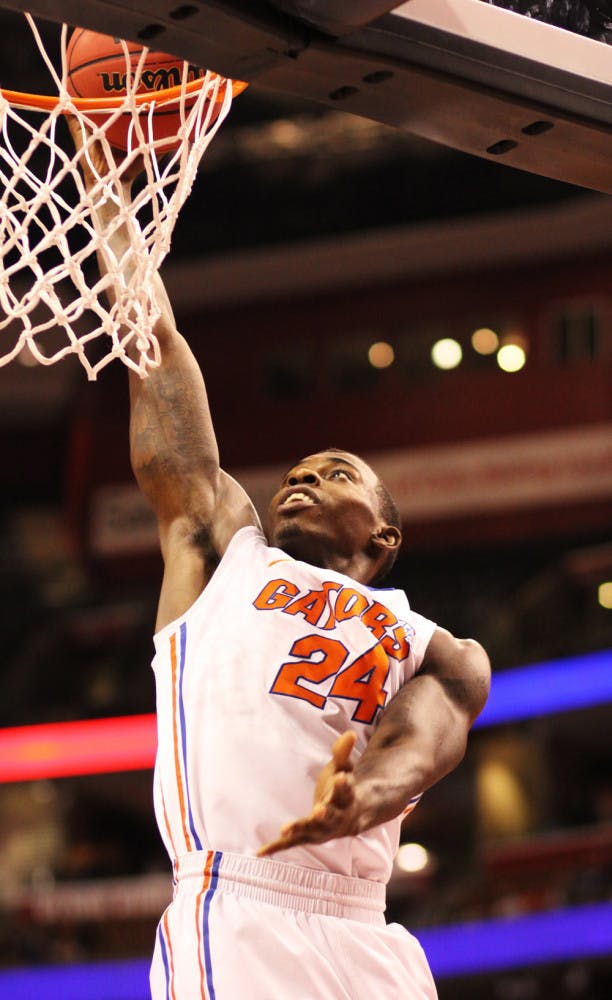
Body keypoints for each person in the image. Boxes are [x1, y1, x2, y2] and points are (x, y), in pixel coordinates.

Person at [70, 123, 491, 1000]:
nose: (301, 479)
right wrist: (109, 196)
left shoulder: (439, 648)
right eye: (295, 473)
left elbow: (422, 744)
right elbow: (158, 345)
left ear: (385, 535)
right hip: (241, 901)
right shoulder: (222, 548)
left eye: (336, 474)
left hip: (367, 929)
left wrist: (363, 800)